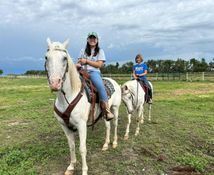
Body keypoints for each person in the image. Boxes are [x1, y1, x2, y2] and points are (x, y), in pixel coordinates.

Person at [77, 32, 114, 120]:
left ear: (97, 40)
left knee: (100, 87)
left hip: (94, 72)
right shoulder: (83, 50)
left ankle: (106, 110)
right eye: (90, 38)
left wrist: (86, 61)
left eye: (94, 38)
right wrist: (76, 65)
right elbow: (79, 61)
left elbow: (99, 65)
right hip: (82, 71)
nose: (92, 40)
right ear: (87, 40)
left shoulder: (100, 51)